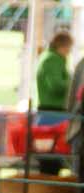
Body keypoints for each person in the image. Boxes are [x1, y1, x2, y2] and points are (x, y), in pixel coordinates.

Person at [36, 31, 73, 175]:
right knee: (51, 155)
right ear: (63, 46)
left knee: (53, 155)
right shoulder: (53, 60)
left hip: (52, 111)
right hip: (52, 112)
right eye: (69, 48)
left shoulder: (50, 58)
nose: (69, 52)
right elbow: (56, 86)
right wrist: (72, 82)